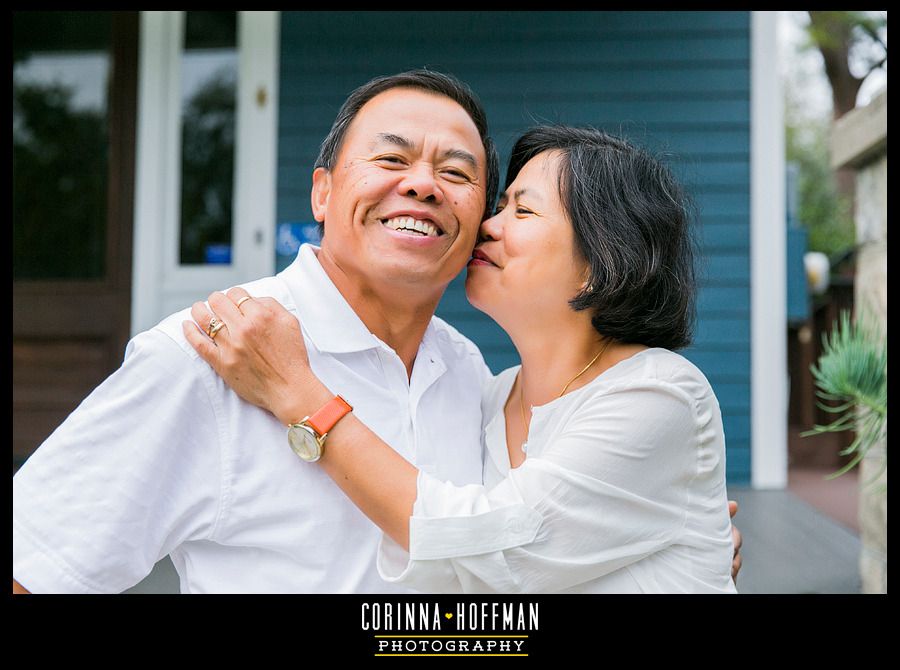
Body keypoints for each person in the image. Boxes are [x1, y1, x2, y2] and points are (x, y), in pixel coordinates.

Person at [12, 70, 740, 594]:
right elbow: (37, 565)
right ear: (322, 192)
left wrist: (646, 552)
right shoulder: (210, 351)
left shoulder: (468, 382)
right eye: (391, 158)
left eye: (459, 174)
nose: (422, 185)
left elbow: (495, 568)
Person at [186, 125, 739, 593]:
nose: (487, 226)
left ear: (605, 262)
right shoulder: (484, 393)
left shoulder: (658, 393)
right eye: (499, 206)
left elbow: (494, 551)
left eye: (522, 210)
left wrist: (298, 395)